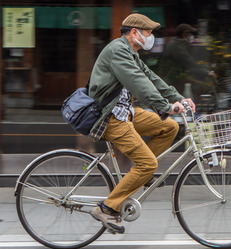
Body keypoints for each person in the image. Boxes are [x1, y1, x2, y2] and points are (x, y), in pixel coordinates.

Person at [87, 13, 195, 234]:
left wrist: (178, 98)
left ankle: (141, 174)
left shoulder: (131, 52)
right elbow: (139, 84)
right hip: (111, 117)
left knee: (169, 127)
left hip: (127, 112)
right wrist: (166, 106)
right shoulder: (118, 51)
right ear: (134, 33)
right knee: (148, 164)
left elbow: (151, 78)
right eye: (149, 32)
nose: (151, 36)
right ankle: (107, 208)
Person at [157, 23, 213, 101]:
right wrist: (206, 72)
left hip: (174, 78)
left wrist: (204, 68)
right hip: (169, 80)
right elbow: (189, 62)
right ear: (184, 34)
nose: (192, 37)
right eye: (190, 34)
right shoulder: (175, 46)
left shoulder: (178, 43)